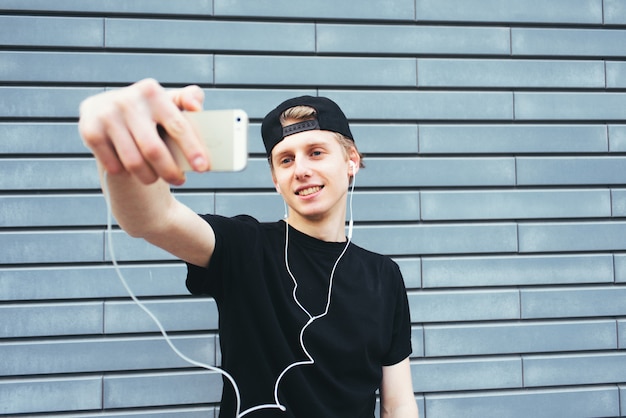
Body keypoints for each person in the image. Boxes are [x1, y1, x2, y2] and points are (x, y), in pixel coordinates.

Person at [79, 78, 419, 418]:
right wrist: (120, 150)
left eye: (316, 152)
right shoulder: (245, 247)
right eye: (285, 160)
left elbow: (398, 403)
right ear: (275, 179)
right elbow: (155, 219)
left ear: (351, 162)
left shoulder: (384, 276)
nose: (301, 169)